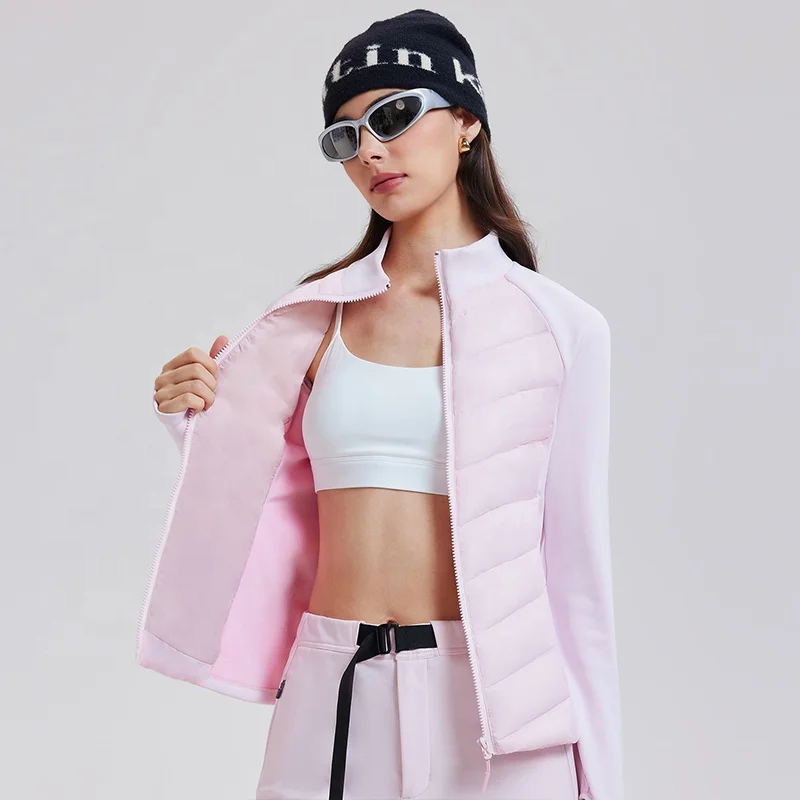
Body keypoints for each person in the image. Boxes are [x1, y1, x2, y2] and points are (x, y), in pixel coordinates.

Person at [140, 9, 624, 800]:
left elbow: (577, 580)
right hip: (332, 691)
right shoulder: (310, 318)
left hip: (497, 708)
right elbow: (258, 494)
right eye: (345, 135)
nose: (369, 150)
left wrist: (600, 780)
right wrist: (191, 413)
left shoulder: (563, 328)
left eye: (394, 115)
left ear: (466, 121)